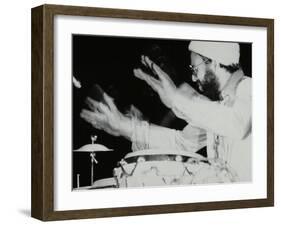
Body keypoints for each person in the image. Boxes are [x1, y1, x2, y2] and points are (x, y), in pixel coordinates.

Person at [80, 41, 252, 182]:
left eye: (195, 69)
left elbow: (237, 124)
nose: (193, 77)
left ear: (213, 63)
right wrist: (125, 127)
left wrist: (177, 99)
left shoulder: (252, 88)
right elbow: (182, 143)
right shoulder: (216, 106)